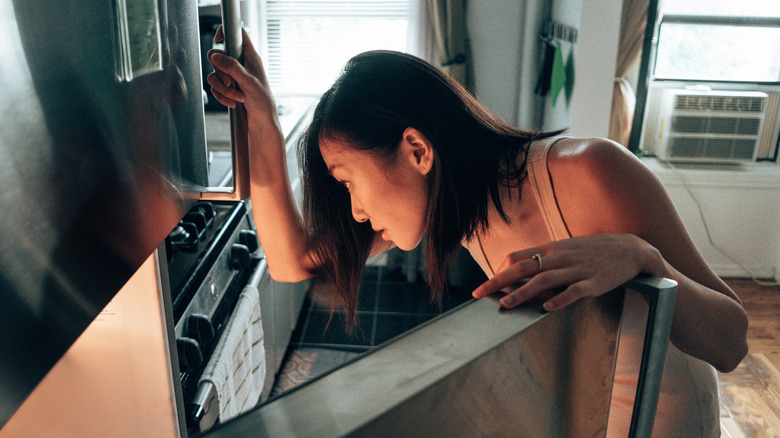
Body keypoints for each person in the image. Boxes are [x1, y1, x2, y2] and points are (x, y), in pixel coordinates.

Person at [207, 27, 748, 437]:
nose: (357, 212)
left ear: (417, 151)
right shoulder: (454, 207)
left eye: (349, 181)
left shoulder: (590, 172)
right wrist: (264, 123)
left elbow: (732, 342)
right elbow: (291, 261)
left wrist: (643, 258)